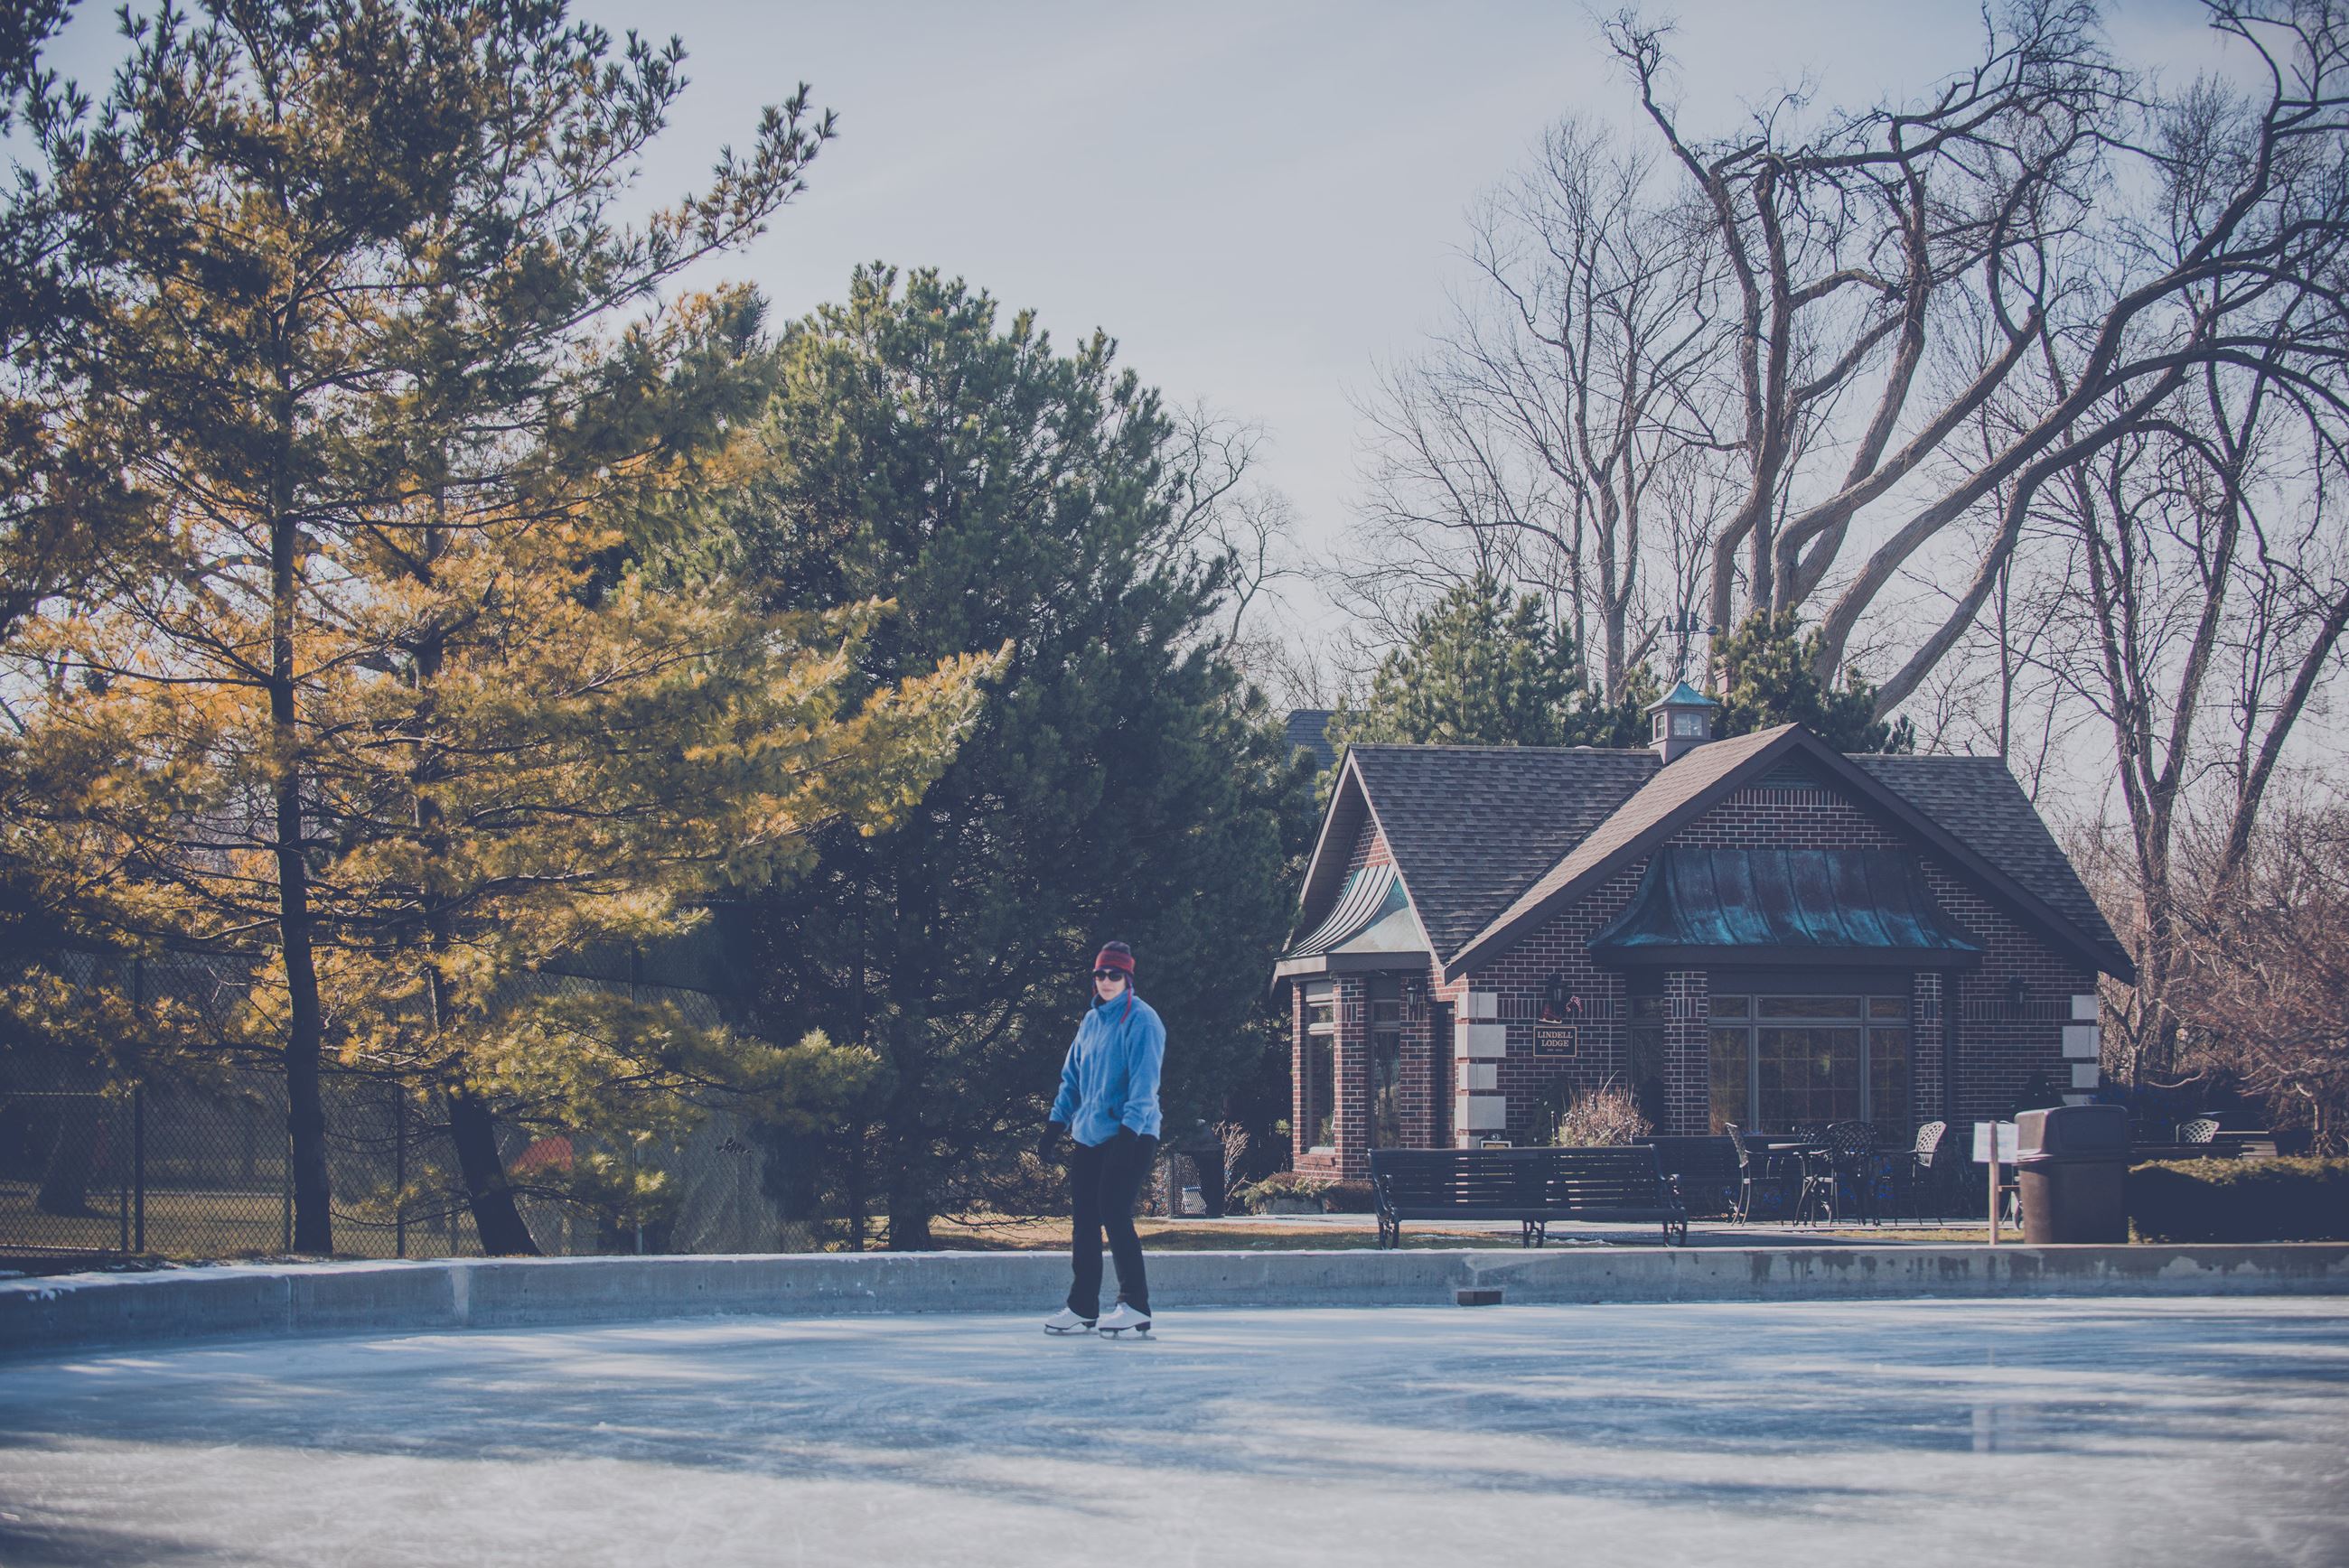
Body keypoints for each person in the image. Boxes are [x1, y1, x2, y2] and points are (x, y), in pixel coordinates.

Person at [1038, 940, 1163, 1336]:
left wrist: (1128, 1134)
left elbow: (1145, 1084)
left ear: (1128, 979)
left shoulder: (1143, 1021)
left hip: (1133, 1133)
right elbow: (1072, 1080)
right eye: (1100, 975)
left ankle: (1135, 1304)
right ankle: (1082, 1306)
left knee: (1113, 1210)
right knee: (1085, 1220)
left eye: (1115, 975)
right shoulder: (1090, 1022)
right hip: (1090, 1134)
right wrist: (1055, 1126)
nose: (1107, 981)